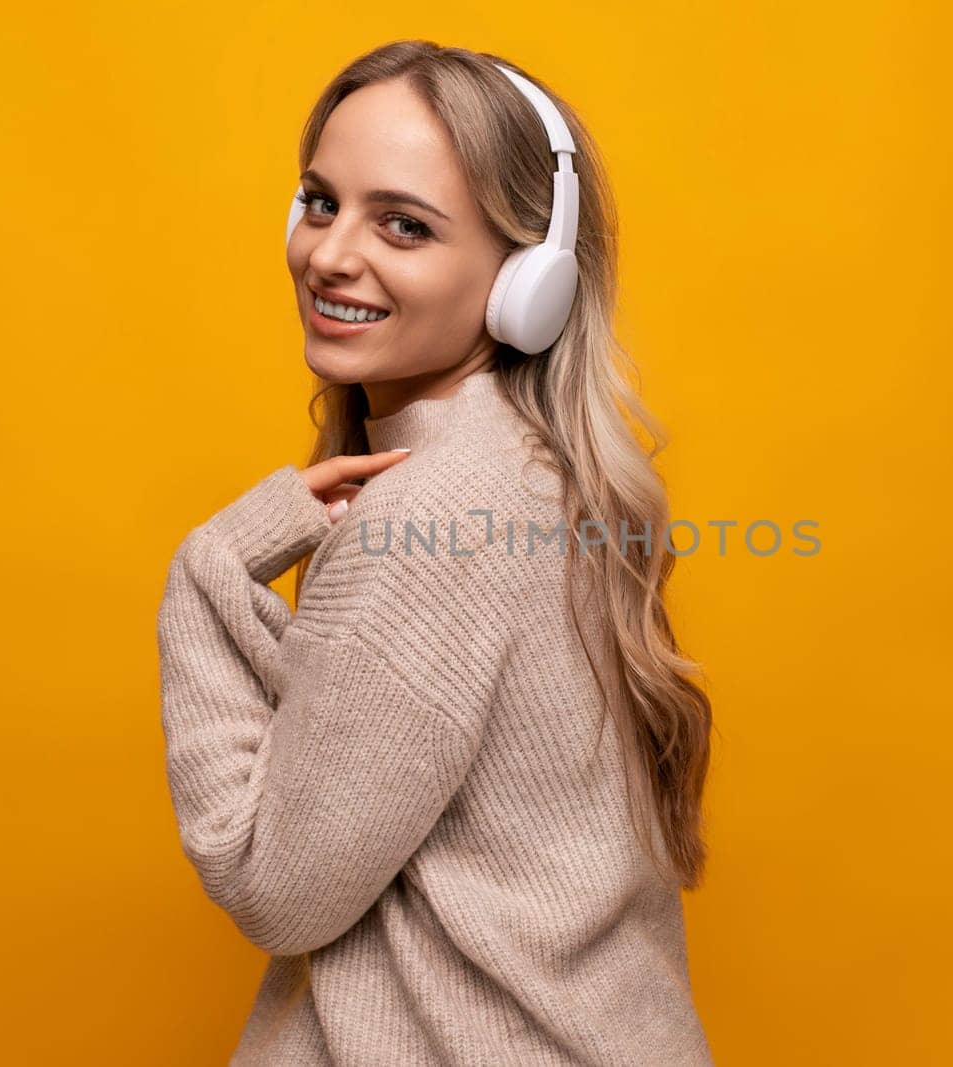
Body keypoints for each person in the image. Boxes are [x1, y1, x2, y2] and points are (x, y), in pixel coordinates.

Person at [156, 39, 715, 1064]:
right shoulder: (538, 468)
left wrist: (207, 573)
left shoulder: (425, 527)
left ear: (527, 282)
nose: (328, 254)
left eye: (403, 225)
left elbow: (274, 884)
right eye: (320, 202)